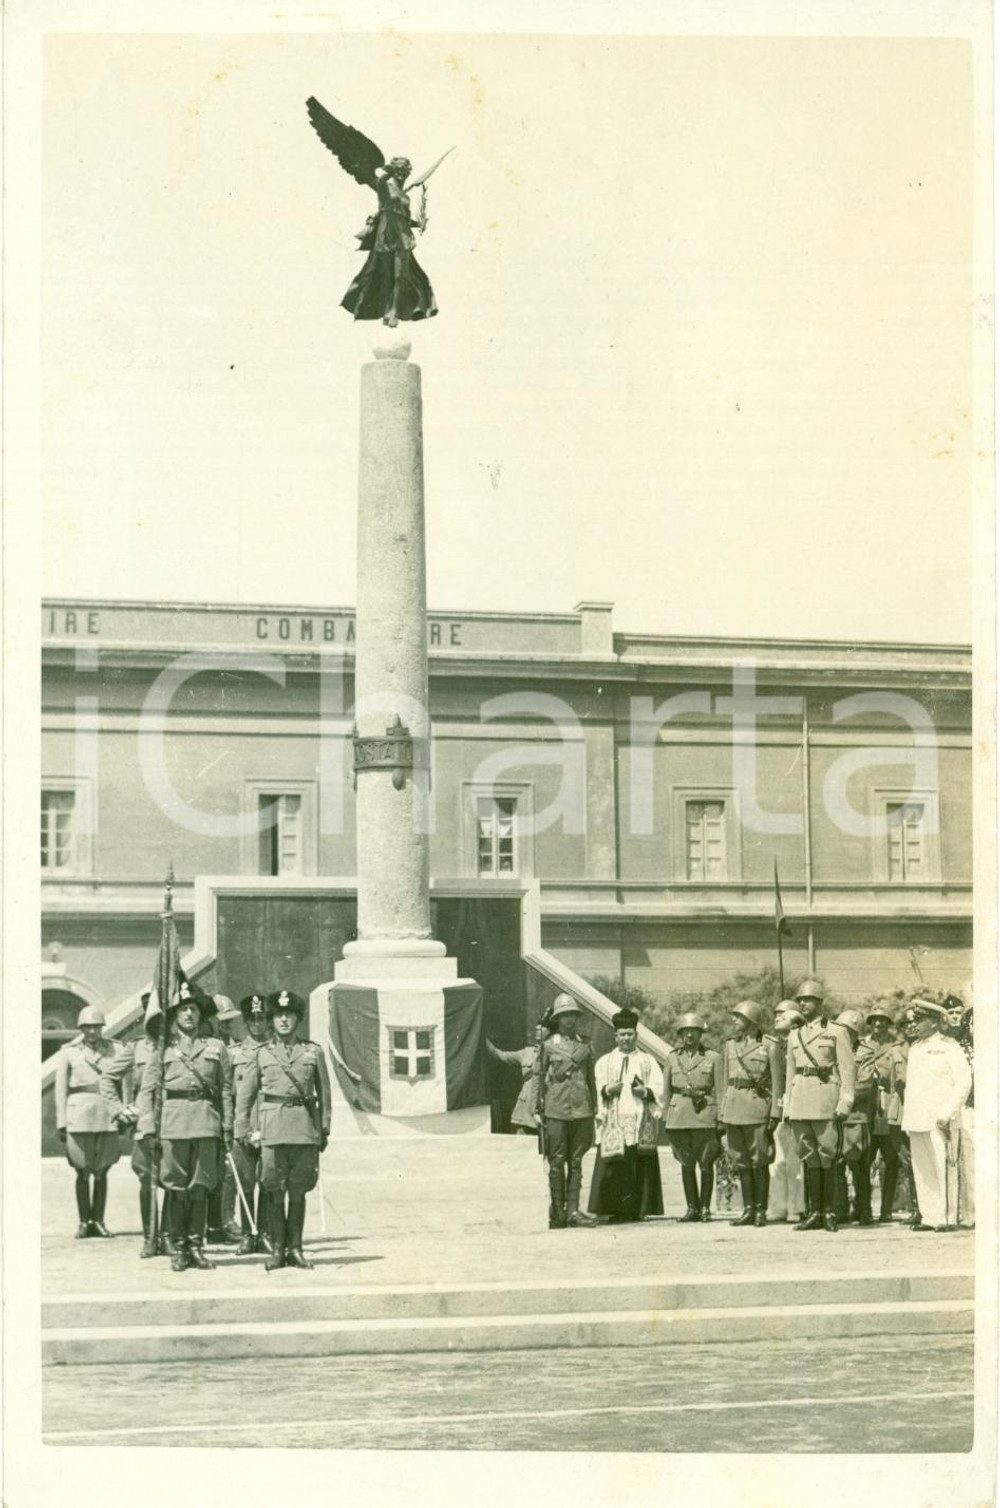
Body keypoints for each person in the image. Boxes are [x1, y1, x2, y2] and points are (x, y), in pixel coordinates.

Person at [135, 983, 234, 1272]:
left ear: (200, 1014)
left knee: (200, 1188)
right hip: (173, 1126)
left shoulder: (216, 1048)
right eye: (183, 1009)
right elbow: (148, 1091)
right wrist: (148, 1128)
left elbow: (225, 1090)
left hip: (206, 1124)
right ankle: (178, 1248)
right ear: (175, 1015)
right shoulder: (163, 1049)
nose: (189, 1014)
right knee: (177, 1188)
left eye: (193, 1009)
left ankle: (196, 1246)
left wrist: (226, 1128)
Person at [234, 989, 332, 1271]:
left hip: (303, 1128)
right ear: (272, 1021)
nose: (284, 1021)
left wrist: (323, 1128)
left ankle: (296, 1248)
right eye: (278, 1016)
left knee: (299, 1189)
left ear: (297, 1019)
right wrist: (241, 1128)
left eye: (289, 1015)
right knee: (274, 1188)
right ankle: (277, 1249)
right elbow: (246, 1094)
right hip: (273, 1129)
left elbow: (324, 1092)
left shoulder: (312, 1051)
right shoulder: (262, 1054)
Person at [100, 991, 172, 1257]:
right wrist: (119, 1111)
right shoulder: (136, 1047)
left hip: (175, 1119)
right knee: (146, 1179)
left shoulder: (176, 1045)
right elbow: (107, 1078)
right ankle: (149, 1237)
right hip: (145, 1122)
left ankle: (168, 1236)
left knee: (173, 1180)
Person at [785, 979, 856, 1232]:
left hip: (826, 1100)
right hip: (801, 1101)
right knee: (809, 1157)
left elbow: (848, 1070)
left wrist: (845, 1102)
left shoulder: (837, 1031)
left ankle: (830, 1211)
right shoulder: (794, 1034)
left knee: (828, 1156)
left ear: (819, 1003)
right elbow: (790, 1074)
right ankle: (814, 1211)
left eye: (808, 1000)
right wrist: (787, 1107)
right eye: (800, 1000)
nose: (803, 1003)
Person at [901, 998, 972, 1231]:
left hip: (941, 1119)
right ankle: (929, 1216)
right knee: (923, 1170)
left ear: (933, 1023)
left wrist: (947, 1113)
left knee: (944, 1168)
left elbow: (963, 1083)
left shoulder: (949, 1046)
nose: (914, 1025)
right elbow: (912, 1088)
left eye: (919, 1020)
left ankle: (947, 1217)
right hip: (917, 1119)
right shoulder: (914, 1049)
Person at [588, 1009, 664, 1223]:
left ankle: (638, 1209)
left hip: (640, 1118)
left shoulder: (647, 1061)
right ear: (616, 1036)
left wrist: (646, 1092)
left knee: (638, 1164)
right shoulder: (605, 1061)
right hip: (614, 1118)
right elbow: (597, 1086)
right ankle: (613, 1209)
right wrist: (607, 1090)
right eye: (622, 1034)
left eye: (630, 1034)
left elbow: (659, 1087)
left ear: (636, 1035)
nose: (626, 1038)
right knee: (614, 1165)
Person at [342, 157, 438, 327]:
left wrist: (418, 224)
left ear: (408, 172)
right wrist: (387, 171)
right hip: (386, 234)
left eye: (404, 169)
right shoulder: (384, 187)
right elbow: (380, 179)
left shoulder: (405, 196)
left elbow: (404, 218)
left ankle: (393, 310)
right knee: (386, 276)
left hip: (403, 236)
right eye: (398, 169)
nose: (401, 172)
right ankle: (387, 308)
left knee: (400, 275)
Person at [54, 1006, 123, 1238]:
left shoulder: (116, 1049)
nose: (92, 1031)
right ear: (81, 1028)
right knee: (81, 1170)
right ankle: (84, 1222)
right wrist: (62, 1122)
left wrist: (123, 1114)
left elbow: (124, 1084)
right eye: (87, 1027)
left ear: (102, 1027)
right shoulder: (68, 1052)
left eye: (96, 1026)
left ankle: (99, 1221)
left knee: (103, 1170)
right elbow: (60, 1089)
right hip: (78, 1116)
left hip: (106, 1115)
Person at [532, 994, 599, 1230]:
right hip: (556, 1109)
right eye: (564, 1015)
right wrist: (535, 1108)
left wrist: (595, 1108)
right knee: (557, 1162)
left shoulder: (585, 1045)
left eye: (572, 1014)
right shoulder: (548, 1046)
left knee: (577, 1161)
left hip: (582, 1109)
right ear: (558, 1019)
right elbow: (538, 1077)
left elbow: (591, 1079)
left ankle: (573, 1211)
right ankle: (558, 1212)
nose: (569, 1020)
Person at [720, 1000, 783, 1227]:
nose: (734, 1021)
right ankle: (747, 1209)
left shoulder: (769, 1046)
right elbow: (724, 1081)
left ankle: (760, 1211)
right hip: (734, 1108)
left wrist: (775, 1112)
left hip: (757, 1108)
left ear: (751, 1021)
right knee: (741, 1161)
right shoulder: (729, 1046)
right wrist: (722, 1111)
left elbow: (778, 1082)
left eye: (738, 1017)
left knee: (760, 1160)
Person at [662, 1012, 723, 1221]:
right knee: (686, 1162)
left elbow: (720, 1089)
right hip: (679, 1115)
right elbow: (666, 1089)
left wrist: (720, 1117)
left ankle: (705, 1208)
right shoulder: (672, 1057)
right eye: (685, 1032)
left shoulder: (713, 1058)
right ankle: (692, 1208)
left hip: (704, 1114)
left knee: (706, 1162)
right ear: (680, 1034)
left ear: (700, 1034)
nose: (689, 1035)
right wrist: (665, 1115)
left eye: (694, 1031)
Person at [228, 993, 274, 1254]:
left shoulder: (276, 1051)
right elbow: (226, 1089)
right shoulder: (233, 1053)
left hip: (270, 1123)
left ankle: (265, 1231)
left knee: (268, 1180)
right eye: (253, 1019)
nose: (258, 1024)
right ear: (245, 1022)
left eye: (262, 1019)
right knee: (245, 1182)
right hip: (242, 1125)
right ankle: (248, 1234)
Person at [205, 994, 245, 1244]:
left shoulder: (234, 1046)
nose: (227, 1026)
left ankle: (225, 1219)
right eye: (222, 1021)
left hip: (231, 1112)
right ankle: (212, 1224)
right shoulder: (208, 1046)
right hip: (209, 1113)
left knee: (230, 1171)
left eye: (229, 1021)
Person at [865, 1005, 908, 1223]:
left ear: (889, 1024)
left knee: (891, 1159)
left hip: (889, 1107)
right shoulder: (862, 1044)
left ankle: (887, 1209)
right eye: (874, 1020)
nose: (878, 1024)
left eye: (882, 1020)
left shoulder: (898, 1046)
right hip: (868, 1108)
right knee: (866, 1157)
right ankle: (862, 1208)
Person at [833, 1010, 877, 1225]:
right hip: (834, 1117)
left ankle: (864, 1209)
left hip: (856, 1117)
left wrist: (838, 1097)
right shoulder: (831, 1050)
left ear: (854, 1032)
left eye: (845, 1030)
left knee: (858, 1165)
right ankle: (840, 1209)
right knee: (837, 1163)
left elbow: (864, 1085)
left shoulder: (865, 1052)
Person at [767, 1002, 807, 1224]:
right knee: (779, 1161)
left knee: (794, 1161)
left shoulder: (799, 1045)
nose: (776, 1018)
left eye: (782, 1015)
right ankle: (779, 1205)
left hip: (798, 1107)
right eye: (776, 1014)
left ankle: (795, 1207)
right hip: (780, 1108)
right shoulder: (776, 1047)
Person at [943, 998, 975, 1228]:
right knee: (964, 1161)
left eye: (958, 1012)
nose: (955, 1016)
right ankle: (967, 1213)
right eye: (950, 1012)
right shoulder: (955, 1045)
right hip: (963, 1108)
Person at [486, 1020, 550, 1133]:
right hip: (526, 1108)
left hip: (547, 1107)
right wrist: (483, 1040)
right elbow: (500, 1055)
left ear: (550, 1032)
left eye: (542, 1028)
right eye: (536, 1029)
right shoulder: (527, 1052)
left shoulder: (556, 1053)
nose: (537, 1031)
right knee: (523, 1143)